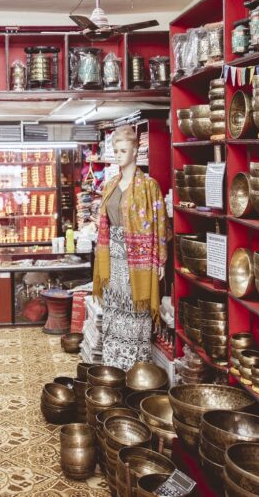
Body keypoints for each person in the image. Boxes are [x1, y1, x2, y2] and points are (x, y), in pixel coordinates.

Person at [92, 126, 168, 370]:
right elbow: (104, 223)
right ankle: (113, 367)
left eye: (123, 151)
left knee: (137, 312)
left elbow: (160, 224)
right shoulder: (110, 185)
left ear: (135, 151)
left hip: (137, 261)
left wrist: (160, 260)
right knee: (112, 312)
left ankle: (136, 370)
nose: (118, 156)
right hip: (112, 259)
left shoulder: (149, 186)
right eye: (116, 151)